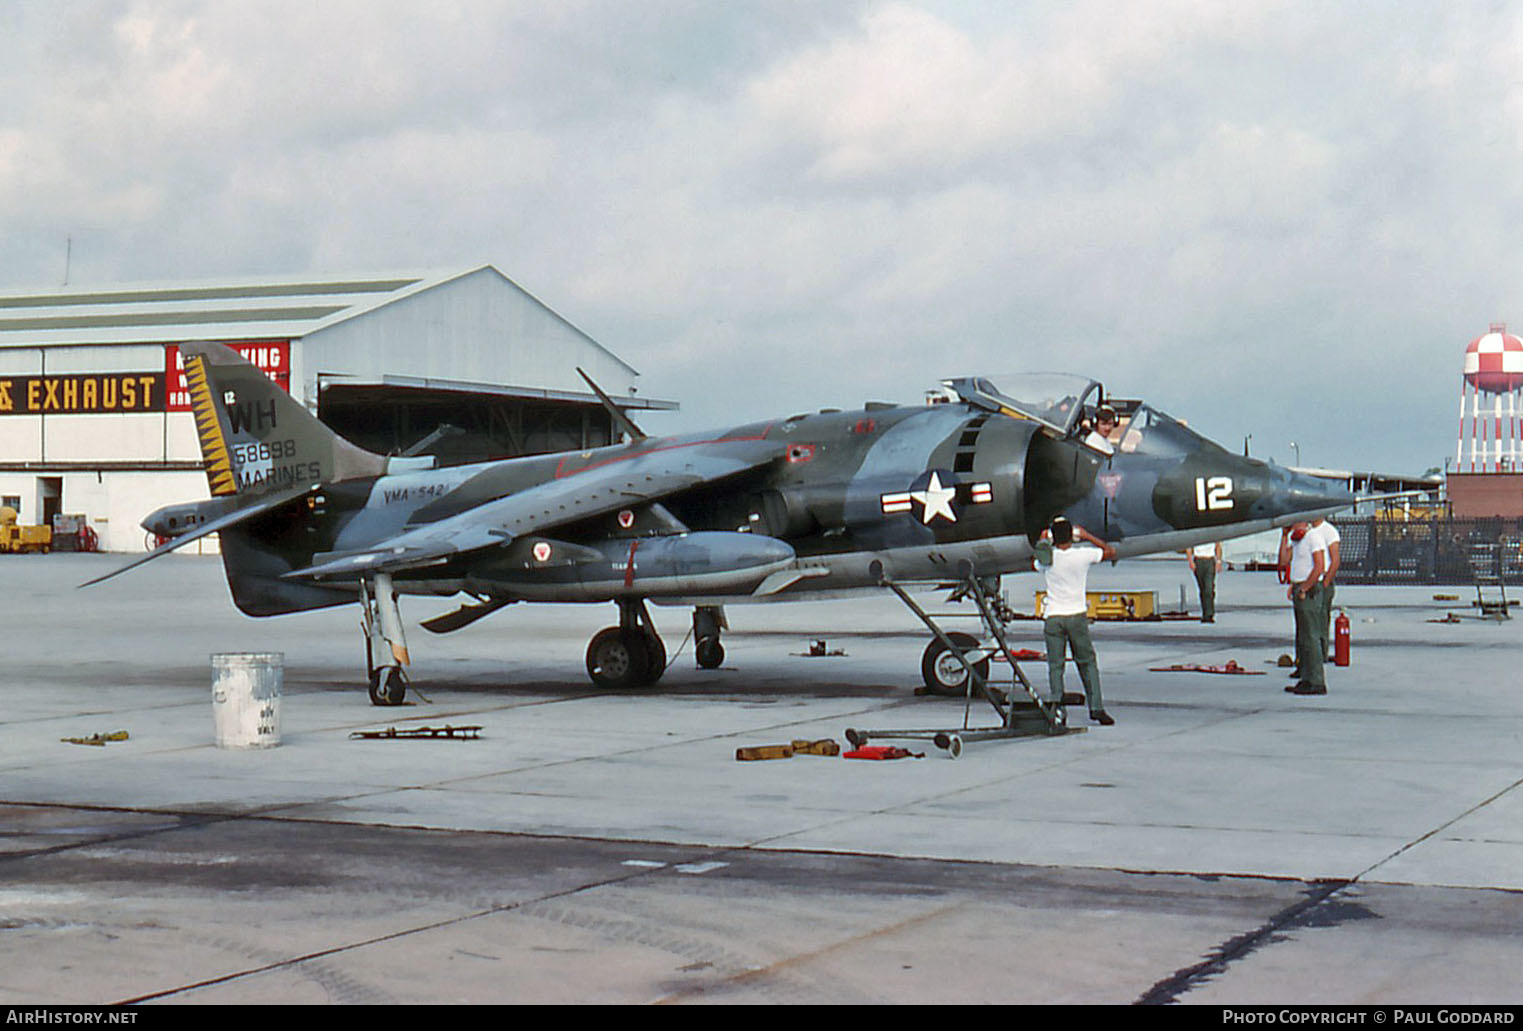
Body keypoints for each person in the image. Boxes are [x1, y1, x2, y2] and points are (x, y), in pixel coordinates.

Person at [1036, 517, 1119, 724]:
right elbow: (1110, 552)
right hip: (1076, 615)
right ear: (1072, 536)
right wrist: (1087, 535)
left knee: (1056, 665)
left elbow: (1038, 556)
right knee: (1087, 662)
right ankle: (1097, 708)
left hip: (1054, 616)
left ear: (1054, 537)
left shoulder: (1048, 559)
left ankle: (1057, 711)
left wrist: (1043, 537)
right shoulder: (1083, 555)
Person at [1279, 521, 1327, 695]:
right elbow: (1284, 560)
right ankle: (1305, 677)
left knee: (1312, 635)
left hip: (1309, 590)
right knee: (1303, 637)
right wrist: (1284, 536)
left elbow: (1319, 566)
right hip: (1299, 587)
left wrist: (1305, 587)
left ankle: (1316, 680)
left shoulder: (1314, 537)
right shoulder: (1297, 540)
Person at [1309, 517, 1341, 658]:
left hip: (1322, 581)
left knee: (1321, 619)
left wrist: (1326, 581)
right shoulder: (1308, 530)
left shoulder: (1329, 531)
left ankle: (1321, 653)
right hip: (1310, 580)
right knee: (1310, 621)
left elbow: (1335, 560)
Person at [1186, 540, 1222, 623]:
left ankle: (1209, 613)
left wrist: (1218, 561)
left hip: (1210, 560)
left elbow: (1218, 546)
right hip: (1198, 560)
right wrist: (1190, 561)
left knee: (1208, 588)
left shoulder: (1213, 534)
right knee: (1202, 589)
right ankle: (1205, 612)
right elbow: (1188, 547)